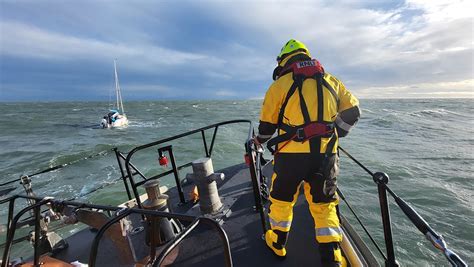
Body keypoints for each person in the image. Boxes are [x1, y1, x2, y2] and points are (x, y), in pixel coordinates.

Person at [254, 39, 360, 266]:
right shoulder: (332, 81)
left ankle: (278, 244)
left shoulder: (279, 85)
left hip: (290, 157)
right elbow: (353, 112)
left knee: (281, 201)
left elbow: (266, 128)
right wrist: (337, 134)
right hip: (326, 157)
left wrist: (258, 141)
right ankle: (332, 257)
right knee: (324, 205)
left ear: (284, 60)